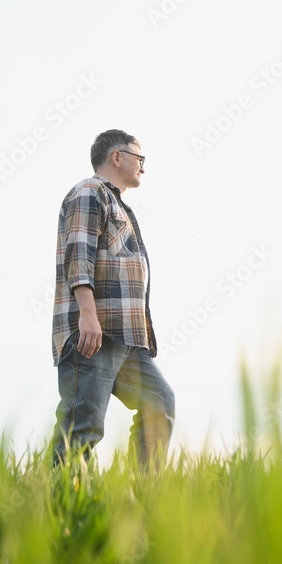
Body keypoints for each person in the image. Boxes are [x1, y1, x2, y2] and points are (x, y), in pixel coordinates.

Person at [50, 129, 174, 470]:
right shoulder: (90, 192)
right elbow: (80, 254)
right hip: (95, 334)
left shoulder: (117, 203)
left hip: (125, 338)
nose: (143, 168)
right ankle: (59, 507)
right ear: (117, 157)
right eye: (140, 158)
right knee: (83, 425)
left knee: (158, 402)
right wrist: (87, 316)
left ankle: (141, 496)